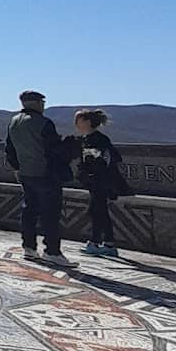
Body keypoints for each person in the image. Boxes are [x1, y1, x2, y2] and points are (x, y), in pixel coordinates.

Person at [4, 90, 73, 264]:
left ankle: (29, 248)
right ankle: (52, 251)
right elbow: (54, 150)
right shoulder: (43, 123)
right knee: (50, 213)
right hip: (45, 174)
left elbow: (9, 149)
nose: (43, 105)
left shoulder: (13, 122)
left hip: (26, 173)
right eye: (42, 102)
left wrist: (18, 168)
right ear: (35, 103)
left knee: (29, 211)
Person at [73, 108, 125, 257]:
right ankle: (108, 243)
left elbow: (102, 159)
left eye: (79, 120)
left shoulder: (97, 139)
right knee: (100, 210)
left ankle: (95, 242)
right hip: (95, 181)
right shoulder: (88, 139)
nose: (76, 124)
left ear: (87, 122)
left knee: (96, 210)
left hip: (100, 180)